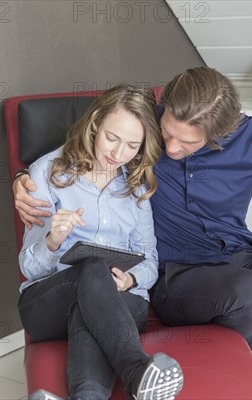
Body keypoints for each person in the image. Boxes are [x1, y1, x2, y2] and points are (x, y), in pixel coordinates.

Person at [14, 68, 252, 400]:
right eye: (167, 135)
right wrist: (22, 180)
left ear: (224, 132)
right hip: (180, 278)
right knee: (246, 293)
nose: (170, 149)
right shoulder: (147, 125)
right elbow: (93, 140)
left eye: (187, 144)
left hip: (242, 262)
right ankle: (246, 355)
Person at [16, 84, 184, 400]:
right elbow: (29, 268)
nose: (118, 154)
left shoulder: (136, 186)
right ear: (94, 125)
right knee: (93, 268)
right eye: (111, 138)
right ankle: (138, 373)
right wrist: (53, 239)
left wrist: (130, 279)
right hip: (49, 304)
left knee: (93, 307)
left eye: (132, 145)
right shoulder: (47, 173)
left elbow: (149, 259)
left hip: (121, 303)